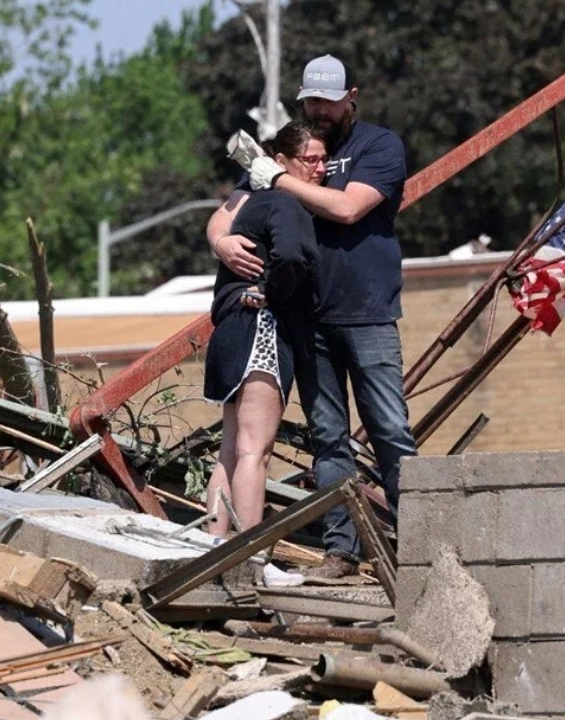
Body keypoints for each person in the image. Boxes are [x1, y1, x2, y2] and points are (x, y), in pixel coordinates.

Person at [206, 55, 415, 578]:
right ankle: (341, 551)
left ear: (352, 97)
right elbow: (227, 211)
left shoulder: (378, 146)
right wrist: (221, 242)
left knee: (388, 427)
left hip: (366, 312)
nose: (318, 111)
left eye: (327, 101)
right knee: (328, 437)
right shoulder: (293, 146)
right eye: (310, 102)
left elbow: (346, 209)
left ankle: (421, 540)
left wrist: (276, 176)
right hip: (308, 320)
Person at [203, 121, 328, 537]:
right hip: (263, 330)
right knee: (255, 450)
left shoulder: (253, 206)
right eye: (310, 159)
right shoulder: (286, 204)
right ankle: (247, 557)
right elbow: (291, 256)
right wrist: (273, 291)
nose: (320, 168)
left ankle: (213, 547)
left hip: (232, 330)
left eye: (324, 159)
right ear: (280, 163)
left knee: (231, 451)